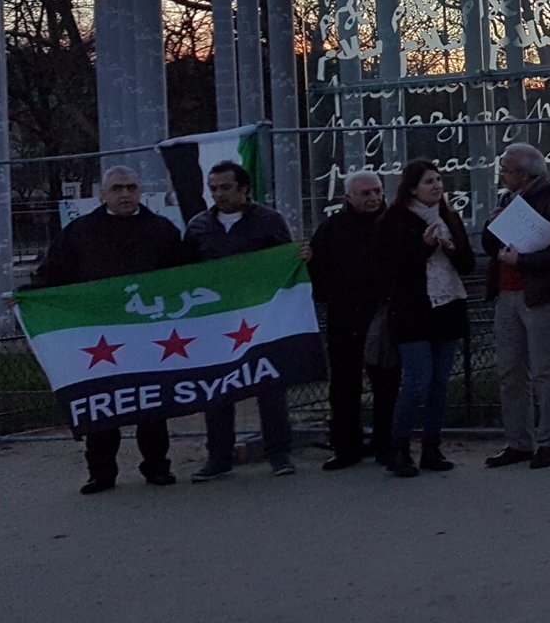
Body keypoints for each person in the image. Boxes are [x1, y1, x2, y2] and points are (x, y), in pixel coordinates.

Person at [29, 165, 183, 494]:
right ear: (103, 195)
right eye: (117, 189)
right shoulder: (80, 232)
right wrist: (28, 299)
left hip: (148, 334)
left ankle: (157, 466)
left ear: (139, 192)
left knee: (152, 403)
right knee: (102, 404)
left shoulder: (162, 230)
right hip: (99, 337)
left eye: (131, 187)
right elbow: (53, 274)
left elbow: (185, 276)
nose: (125, 194)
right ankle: (101, 473)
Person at [184, 160, 296, 482]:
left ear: (244, 188)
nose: (219, 194)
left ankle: (279, 453)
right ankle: (219, 456)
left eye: (226, 187)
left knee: (270, 385)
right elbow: (183, 274)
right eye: (214, 188)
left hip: (262, 319)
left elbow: (286, 265)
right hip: (216, 322)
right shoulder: (198, 227)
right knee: (218, 388)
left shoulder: (270, 222)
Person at [480, 142, 550, 471]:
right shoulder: (508, 199)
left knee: (543, 370)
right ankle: (518, 441)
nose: (503, 175)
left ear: (523, 173)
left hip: (540, 295)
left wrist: (524, 260)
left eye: (507, 169)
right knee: (510, 371)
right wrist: (493, 225)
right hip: (506, 294)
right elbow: (490, 245)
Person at [376, 159, 475, 478]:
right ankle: (399, 447)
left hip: (447, 307)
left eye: (439, 179)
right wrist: (422, 247)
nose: (437, 185)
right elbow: (390, 269)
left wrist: (450, 248)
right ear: (413, 187)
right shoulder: (394, 220)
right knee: (417, 380)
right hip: (412, 311)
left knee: (440, 382)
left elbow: (468, 264)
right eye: (429, 181)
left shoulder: (450, 217)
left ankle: (432, 446)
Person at [301, 171, 399, 471]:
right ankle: (346, 446)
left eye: (377, 191)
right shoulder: (332, 228)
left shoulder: (393, 224)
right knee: (344, 384)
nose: (373, 198)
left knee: (386, 383)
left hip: (383, 317)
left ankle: (387, 444)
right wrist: (307, 261)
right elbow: (316, 273)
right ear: (348, 198)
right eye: (365, 193)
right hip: (344, 316)